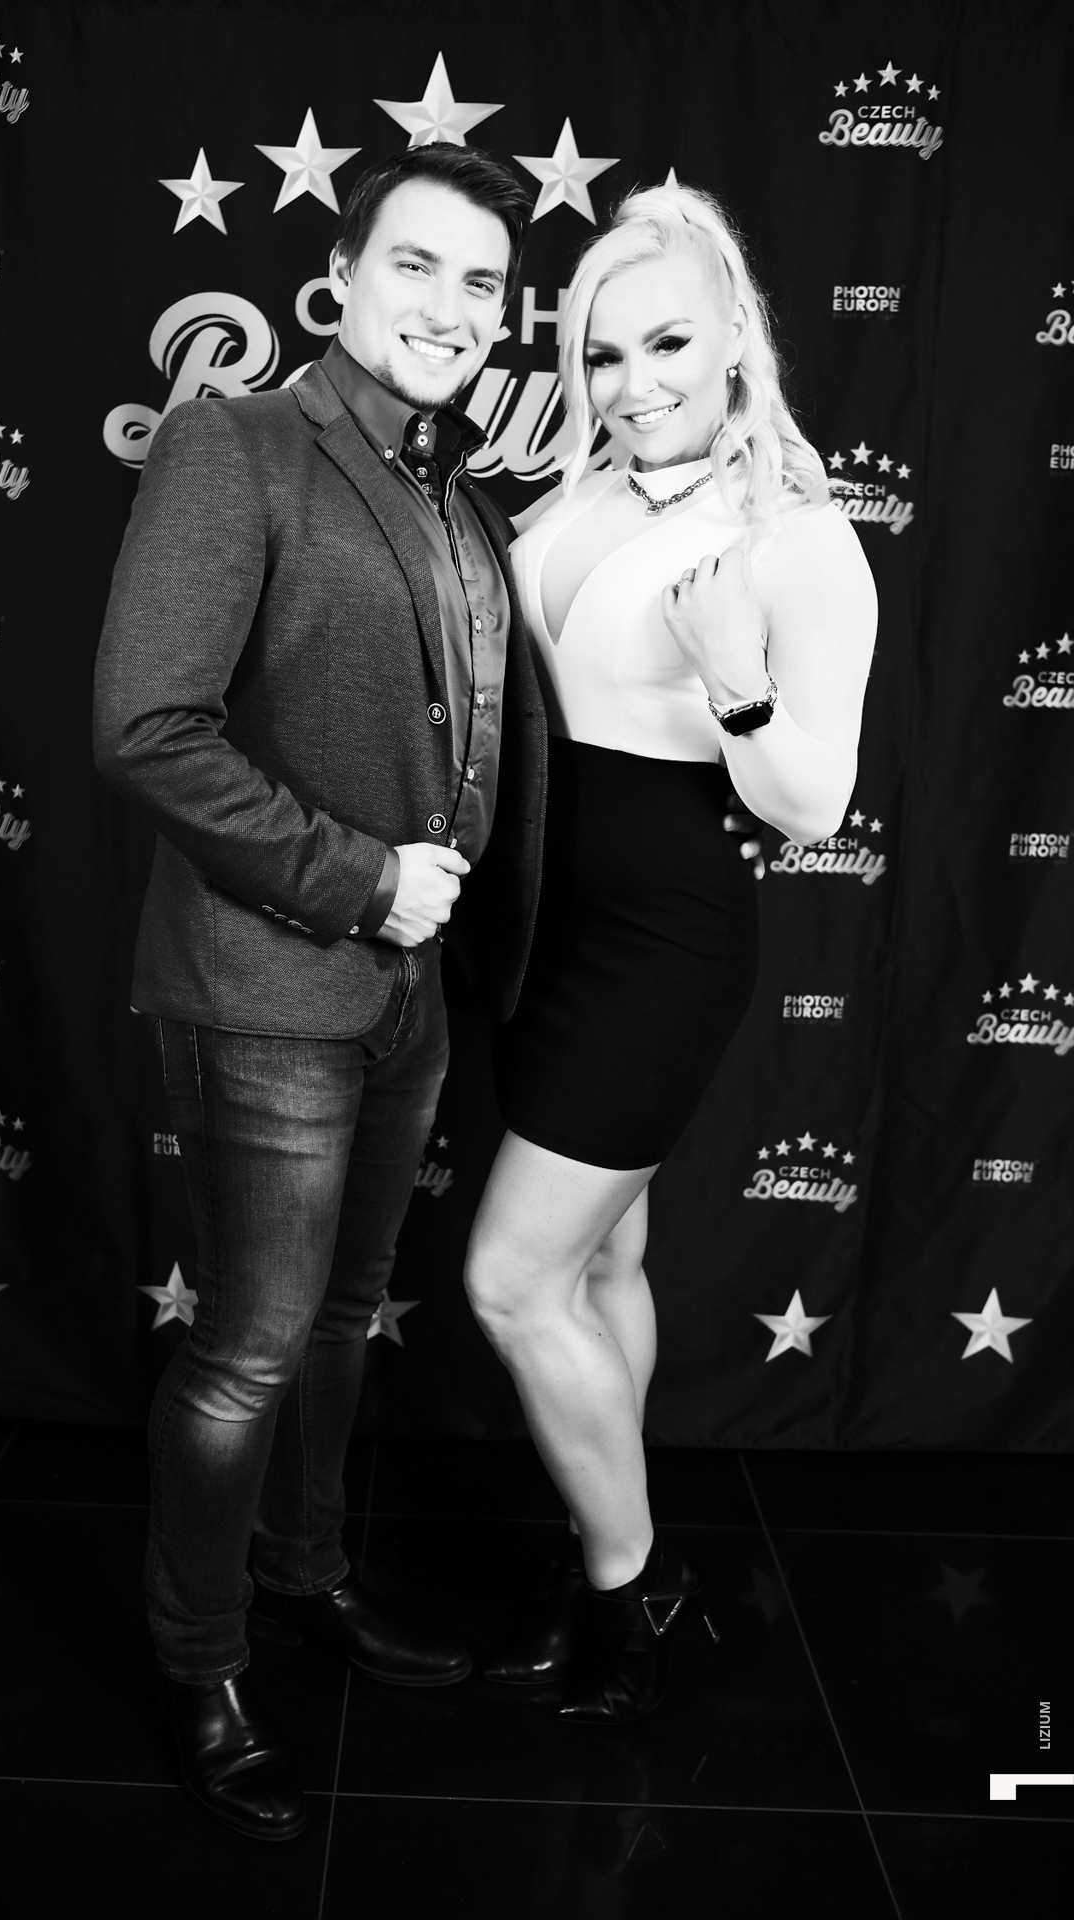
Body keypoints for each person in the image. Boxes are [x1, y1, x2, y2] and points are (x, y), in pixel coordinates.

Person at [93, 143, 544, 1838]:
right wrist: (360, 879)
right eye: (416, 265)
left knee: (345, 1320)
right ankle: (197, 1659)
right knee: (250, 1348)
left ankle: (304, 1573)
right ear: (342, 278)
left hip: (410, 996)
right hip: (268, 977)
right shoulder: (239, 443)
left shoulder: (455, 491)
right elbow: (148, 727)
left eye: (483, 283)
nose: (451, 306)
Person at [463, 180, 877, 1725]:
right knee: (604, 1258)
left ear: (737, 346)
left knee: (510, 1280)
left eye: (668, 346)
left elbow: (813, 805)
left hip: (662, 939)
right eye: (603, 353)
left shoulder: (796, 538)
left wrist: (736, 678)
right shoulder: (574, 499)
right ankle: (607, 1543)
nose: (634, 383)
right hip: (540, 926)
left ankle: (633, 1588)